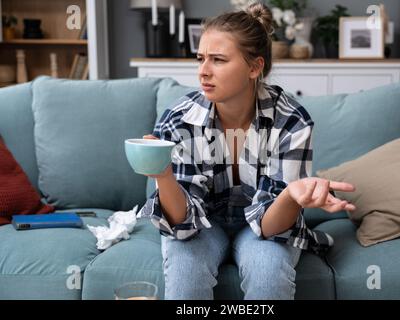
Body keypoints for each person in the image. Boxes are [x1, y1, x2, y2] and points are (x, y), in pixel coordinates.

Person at [140, 2, 356, 300]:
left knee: (268, 270)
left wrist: (291, 196)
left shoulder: (292, 122)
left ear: (255, 67)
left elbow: (271, 227)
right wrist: (164, 175)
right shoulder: (178, 120)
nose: (203, 71)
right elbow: (183, 224)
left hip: (265, 225)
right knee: (184, 268)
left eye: (218, 60)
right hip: (203, 223)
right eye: (200, 58)